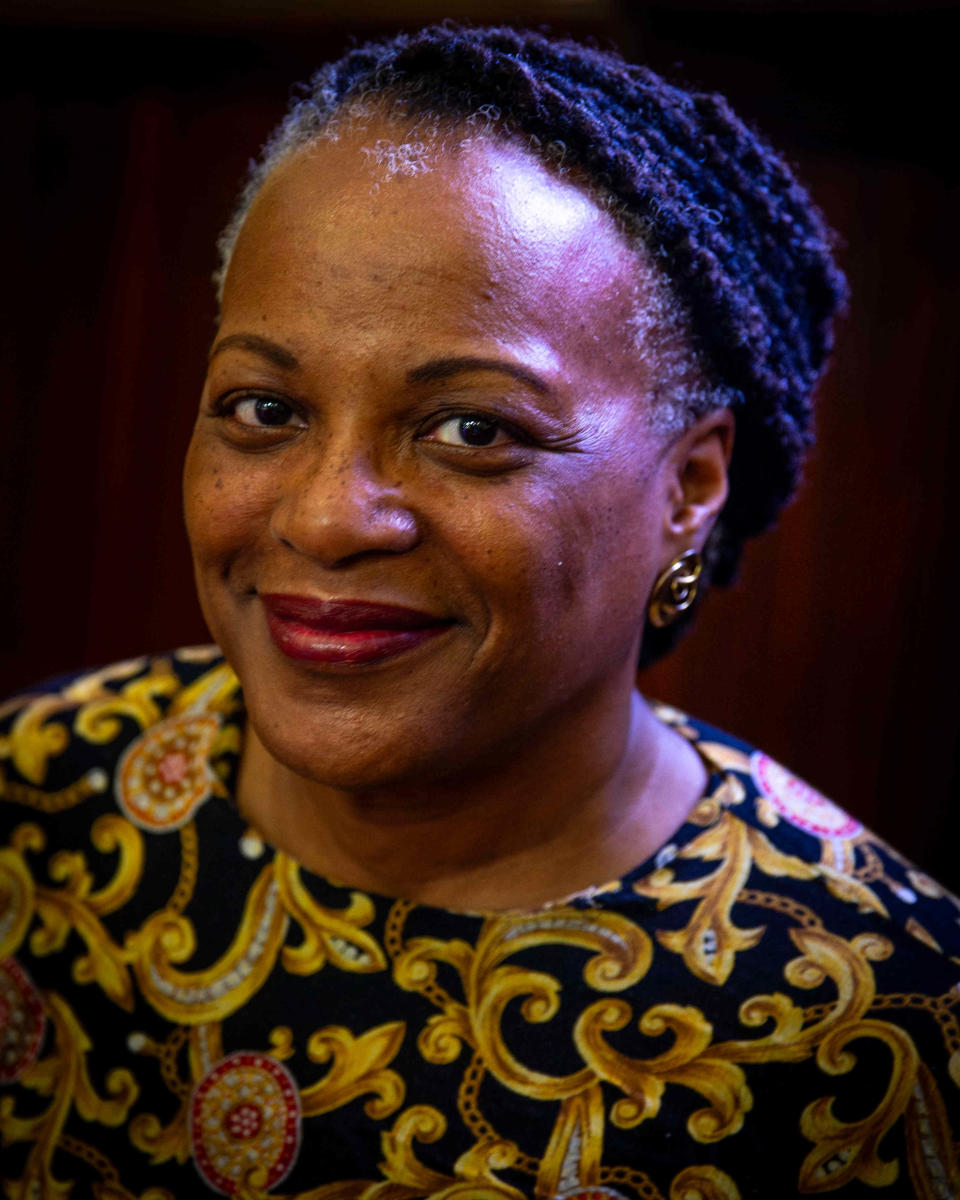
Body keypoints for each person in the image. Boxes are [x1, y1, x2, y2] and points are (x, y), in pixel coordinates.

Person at [1, 23, 958, 1200]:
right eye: (263, 408)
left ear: (691, 486)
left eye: (473, 429)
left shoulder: (883, 1020)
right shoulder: (37, 802)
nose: (328, 518)